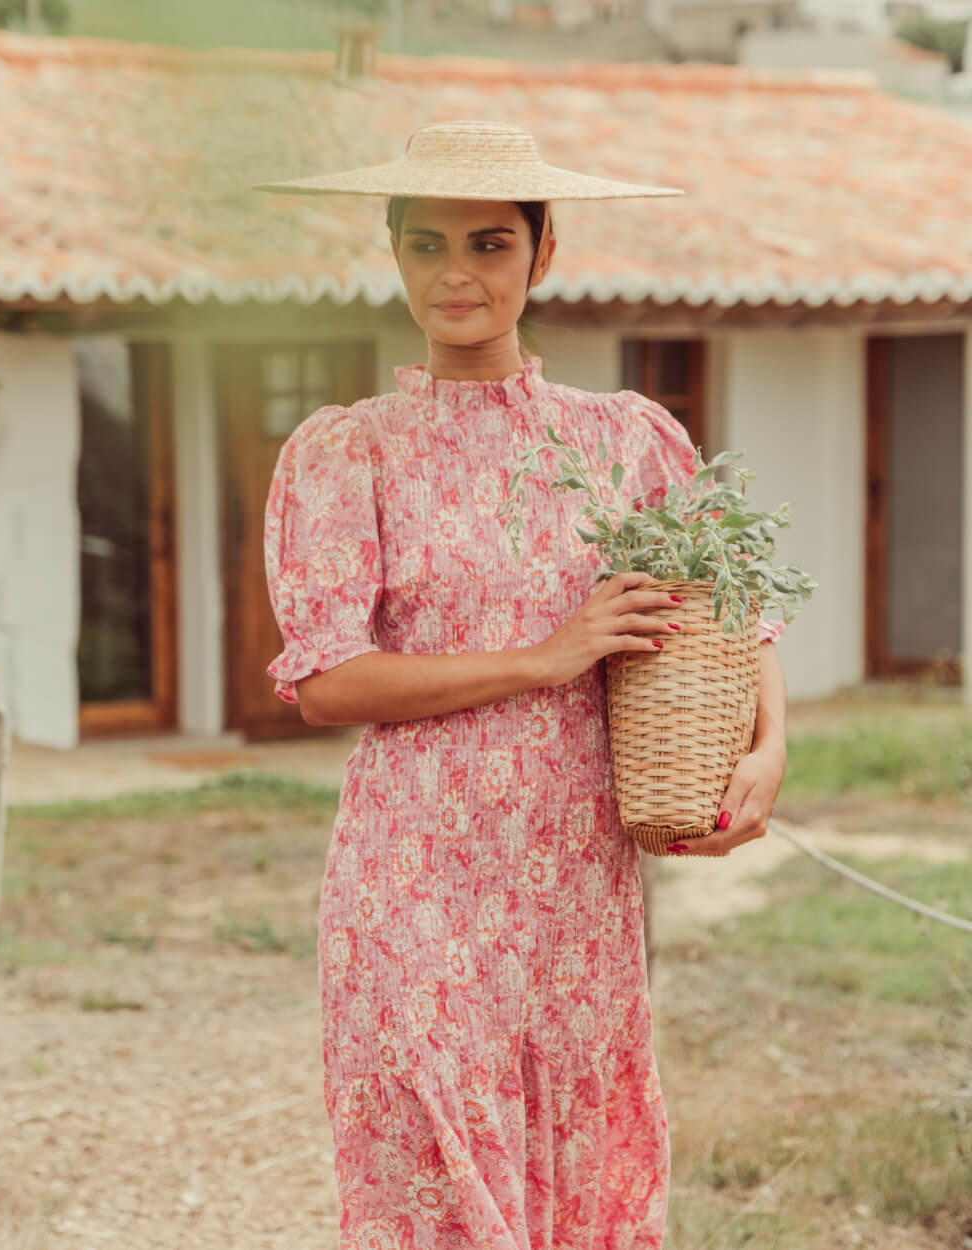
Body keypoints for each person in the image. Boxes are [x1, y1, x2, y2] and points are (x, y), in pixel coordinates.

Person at [254, 120, 787, 1250]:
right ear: (393, 256)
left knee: (580, 1160)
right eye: (427, 243)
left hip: (572, 875)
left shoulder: (624, 440)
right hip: (409, 875)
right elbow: (327, 683)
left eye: (491, 244)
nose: (458, 272)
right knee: (431, 1170)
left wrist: (766, 745)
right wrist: (546, 656)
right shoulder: (353, 452)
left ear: (542, 257)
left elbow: (730, 609)